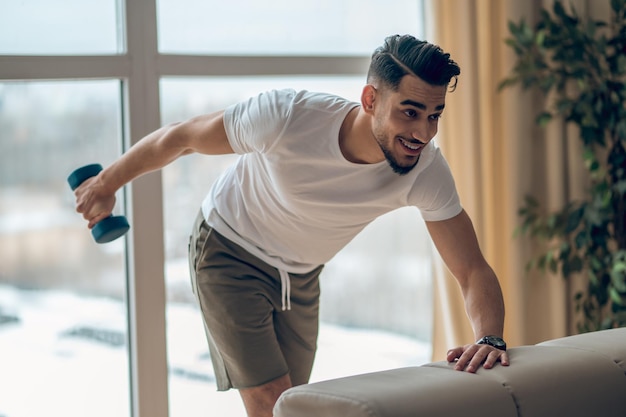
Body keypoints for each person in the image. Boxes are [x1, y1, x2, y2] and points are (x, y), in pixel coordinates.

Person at [74, 34, 509, 417]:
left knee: (293, 406)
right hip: (228, 249)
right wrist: (106, 183)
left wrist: (491, 337)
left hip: (300, 276)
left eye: (434, 115)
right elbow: (182, 136)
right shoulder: (287, 117)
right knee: (270, 403)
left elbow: (471, 269)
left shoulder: (426, 171)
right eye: (410, 112)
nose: (423, 132)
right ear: (371, 99)